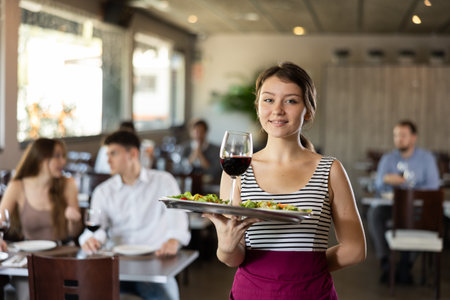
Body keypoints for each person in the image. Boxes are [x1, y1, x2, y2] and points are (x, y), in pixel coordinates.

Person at [204, 62, 366, 299]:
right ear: (258, 107)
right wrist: (226, 248)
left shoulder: (330, 169)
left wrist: (304, 267)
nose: (277, 110)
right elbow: (233, 257)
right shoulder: (237, 171)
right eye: (268, 100)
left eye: (290, 100)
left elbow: (355, 249)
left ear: (308, 110)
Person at [79, 130, 190, 300]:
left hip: (154, 264)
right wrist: (92, 240)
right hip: (116, 266)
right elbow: (96, 229)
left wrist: (174, 240)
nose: (107, 160)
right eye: (107, 154)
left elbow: (178, 223)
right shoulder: (103, 191)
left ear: (133, 154)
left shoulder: (164, 181)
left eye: (113, 153)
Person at [0, 138, 82, 300]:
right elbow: (1, 220)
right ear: (40, 158)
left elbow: (75, 233)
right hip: (28, 259)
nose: (63, 161)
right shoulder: (17, 186)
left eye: (63, 156)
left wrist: (74, 220)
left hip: (62, 256)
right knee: (28, 293)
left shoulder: (68, 184)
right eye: (57, 156)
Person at [367, 120, 440, 284]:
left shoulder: (426, 159)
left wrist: (410, 190)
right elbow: (377, 184)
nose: (399, 139)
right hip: (391, 206)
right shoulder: (387, 159)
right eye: (396, 135)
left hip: (417, 208)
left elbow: (433, 186)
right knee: (374, 214)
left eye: (403, 135)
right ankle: (385, 261)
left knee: (427, 220)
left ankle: (406, 264)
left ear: (413, 138)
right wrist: (386, 179)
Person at [181, 119, 222, 185]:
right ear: (191, 132)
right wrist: (194, 154)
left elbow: (214, 171)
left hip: (209, 184)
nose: (198, 135)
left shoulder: (216, 149)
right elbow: (181, 169)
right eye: (196, 132)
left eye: (201, 132)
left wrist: (200, 154)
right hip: (188, 183)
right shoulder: (184, 148)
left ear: (206, 132)